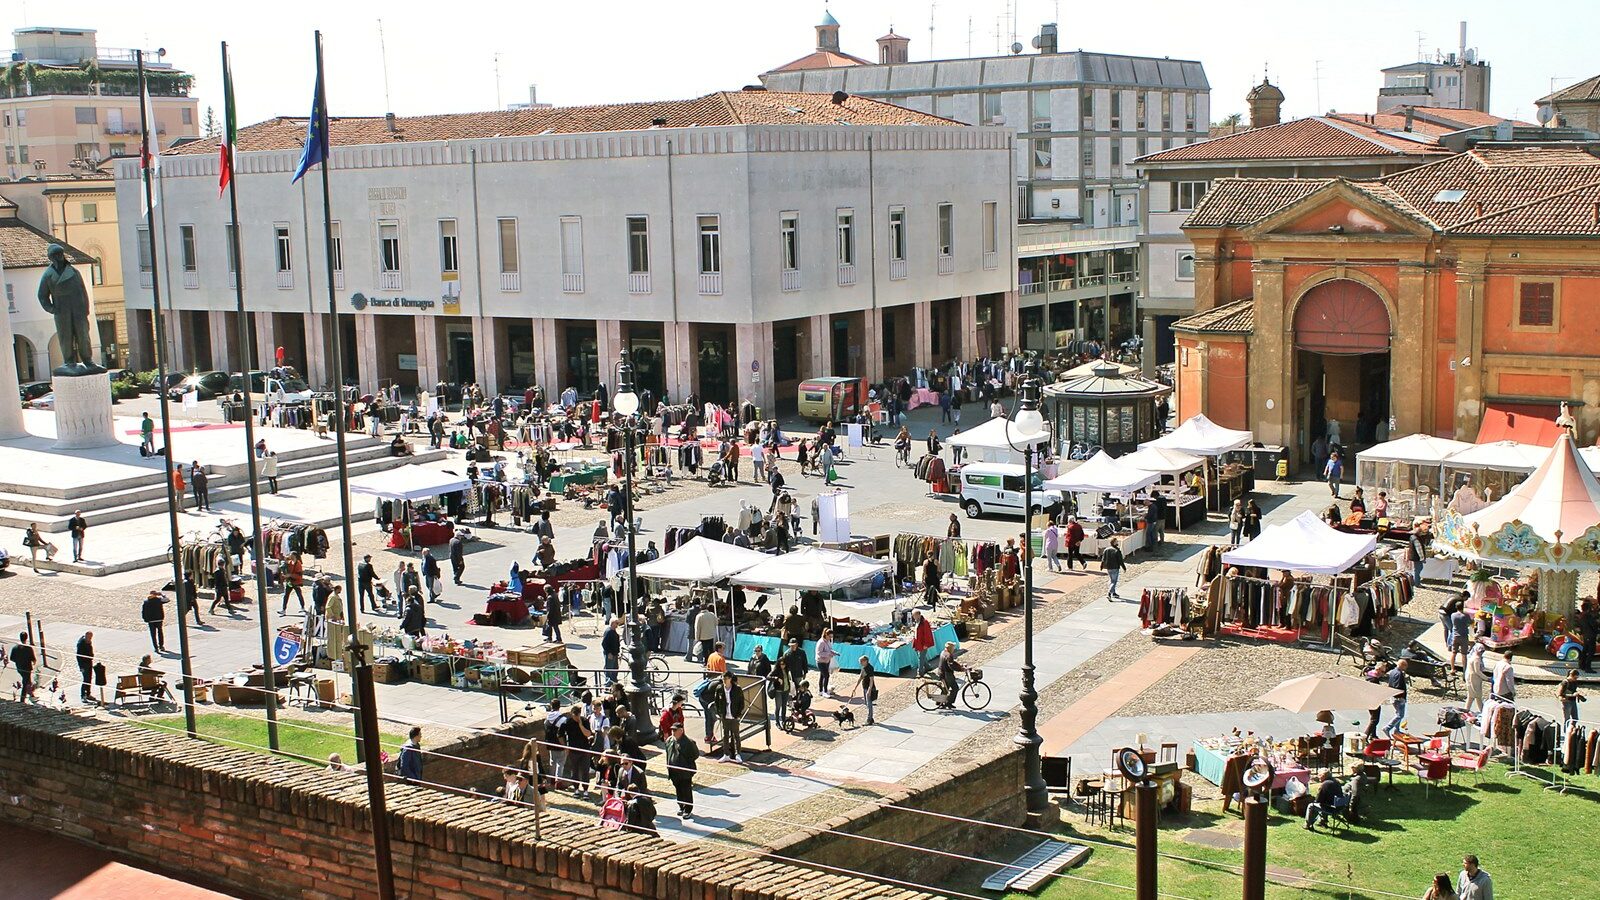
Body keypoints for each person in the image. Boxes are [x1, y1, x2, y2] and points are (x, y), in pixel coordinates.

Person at [664, 721, 699, 820]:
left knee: (686, 790)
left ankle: (688, 809)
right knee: (678, 789)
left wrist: (685, 763)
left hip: (684, 772)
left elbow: (695, 755)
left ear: (681, 731)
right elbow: (668, 753)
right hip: (673, 771)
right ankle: (681, 806)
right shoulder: (670, 740)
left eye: (675, 730)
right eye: (672, 730)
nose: (673, 732)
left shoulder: (688, 742)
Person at [712, 670, 745, 763]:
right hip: (725, 715)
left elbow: (741, 703)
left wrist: (738, 714)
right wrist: (719, 713)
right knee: (725, 735)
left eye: (726, 678)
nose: (724, 680)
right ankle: (726, 754)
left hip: (734, 716)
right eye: (723, 678)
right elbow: (716, 702)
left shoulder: (737, 689)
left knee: (736, 735)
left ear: (730, 679)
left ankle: (738, 754)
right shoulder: (719, 688)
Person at [1384, 658, 1410, 737]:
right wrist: (1401, 696)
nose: (1406, 668)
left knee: (1398, 713)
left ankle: (1397, 730)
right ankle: (1388, 728)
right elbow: (1398, 686)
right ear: (1402, 665)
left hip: (1393, 696)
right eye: (1406, 666)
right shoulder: (1399, 674)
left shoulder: (1393, 671)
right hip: (1398, 698)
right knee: (1400, 715)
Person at [9, 632, 37, 702]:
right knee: (25, 683)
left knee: (28, 681)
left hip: (19, 668)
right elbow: (33, 659)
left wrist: (18, 661)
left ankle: (31, 694)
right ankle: (22, 699)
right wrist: (33, 663)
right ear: (26, 638)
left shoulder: (15, 648)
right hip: (27, 668)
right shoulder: (28, 648)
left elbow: (11, 658)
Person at [936, 641, 963, 708]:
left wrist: (959, 665)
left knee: (946, 688)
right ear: (950, 648)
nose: (953, 649)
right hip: (947, 674)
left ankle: (939, 701)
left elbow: (952, 662)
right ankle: (949, 702)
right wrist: (960, 669)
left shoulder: (943, 652)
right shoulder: (949, 655)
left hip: (941, 672)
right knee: (955, 688)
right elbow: (951, 665)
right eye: (953, 647)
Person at [852, 655, 878, 726]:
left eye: (861, 661)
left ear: (865, 661)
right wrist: (855, 688)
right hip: (864, 687)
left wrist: (869, 690)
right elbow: (860, 677)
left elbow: (871, 680)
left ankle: (869, 719)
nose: (860, 663)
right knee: (866, 703)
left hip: (868, 688)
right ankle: (871, 718)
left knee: (869, 704)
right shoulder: (863, 668)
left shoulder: (869, 668)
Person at [1448, 596, 1471, 672]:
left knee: (1453, 653)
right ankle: (1464, 670)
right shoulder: (1466, 615)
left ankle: (1452, 669)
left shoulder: (1453, 615)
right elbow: (1470, 622)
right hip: (1464, 636)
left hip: (1455, 636)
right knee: (1464, 655)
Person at [1465, 642, 1488, 715]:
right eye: (1481, 651)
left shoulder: (1472, 656)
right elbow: (1477, 671)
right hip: (1474, 679)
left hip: (1470, 677)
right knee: (1477, 696)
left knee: (1471, 696)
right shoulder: (1477, 659)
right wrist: (1487, 678)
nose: (1481, 653)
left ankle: (1466, 710)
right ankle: (1483, 712)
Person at [1577, 597, 1598, 674]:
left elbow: (1581, 627)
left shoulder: (1581, 616)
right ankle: (1588, 667)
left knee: (1585, 650)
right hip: (1591, 635)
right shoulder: (1588, 616)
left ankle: (1582, 665)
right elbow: (1594, 625)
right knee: (1591, 651)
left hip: (1585, 635)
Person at [815, 628, 838, 697]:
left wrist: (834, 652)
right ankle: (824, 691)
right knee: (826, 675)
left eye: (831, 637)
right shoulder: (821, 642)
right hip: (821, 661)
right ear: (826, 635)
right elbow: (819, 653)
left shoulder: (828, 641)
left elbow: (830, 649)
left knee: (822, 676)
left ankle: (821, 691)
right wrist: (828, 654)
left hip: (827, 661)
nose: (830, 638)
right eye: (829, 636)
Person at [75, 630, 95, 703]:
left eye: (91, 637)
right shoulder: (81, 644)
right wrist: (81, 667)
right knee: (85, 680)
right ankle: (83, 695)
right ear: (86, 636)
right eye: (89, 637)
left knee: (89, 679)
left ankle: (88, 694)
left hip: (89, 663)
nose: (90, 639)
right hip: (84, 664)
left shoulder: (89, 642)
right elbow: (78, 656)